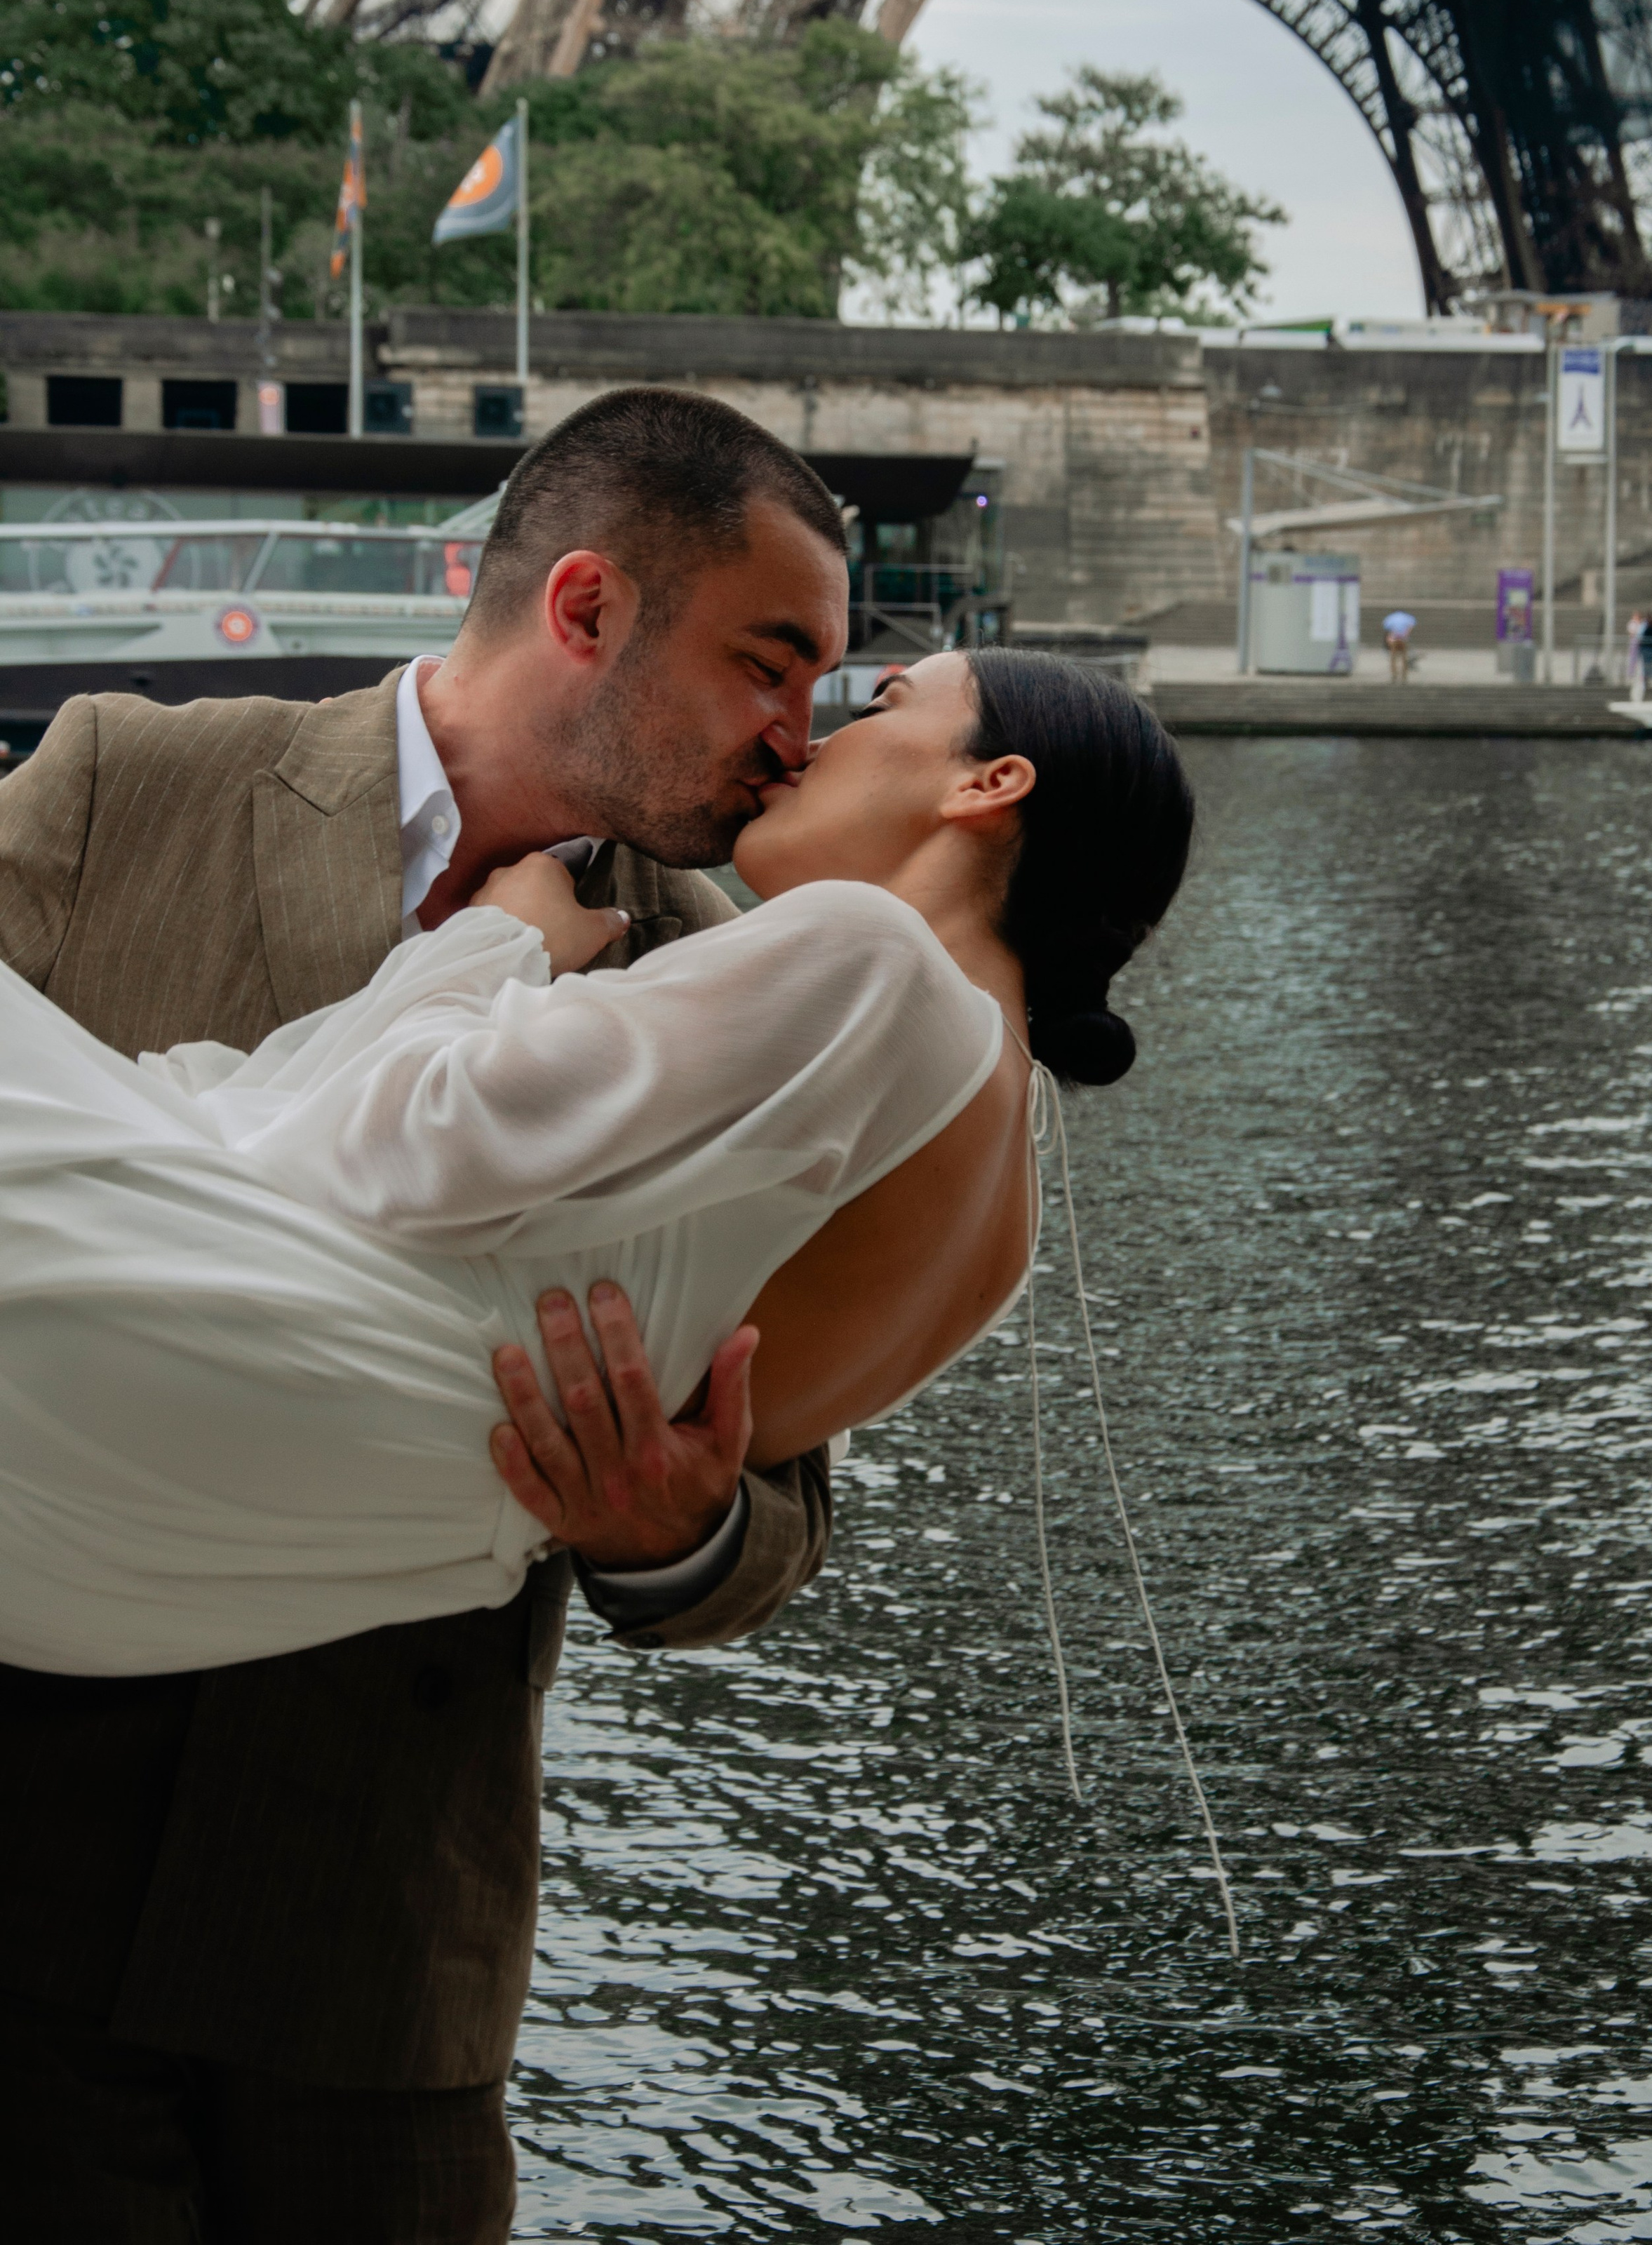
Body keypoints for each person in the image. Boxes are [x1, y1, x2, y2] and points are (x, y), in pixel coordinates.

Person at [0, 388, 854, 2241]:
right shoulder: (119, 783)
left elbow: (785, 1507)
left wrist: (673, 1528)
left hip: (375, 1955)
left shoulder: (733, 986)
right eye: (770, 668)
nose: (799, 746)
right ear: (587, 610)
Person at [0, 641, 1191, 1680]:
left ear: (991, 782)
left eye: (879, 704)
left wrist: (498, 946)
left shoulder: (872, 957)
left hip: (244, 1352)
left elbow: (375, 1144)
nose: (805, 741)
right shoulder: (1006, 1185)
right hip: (297, 1559)